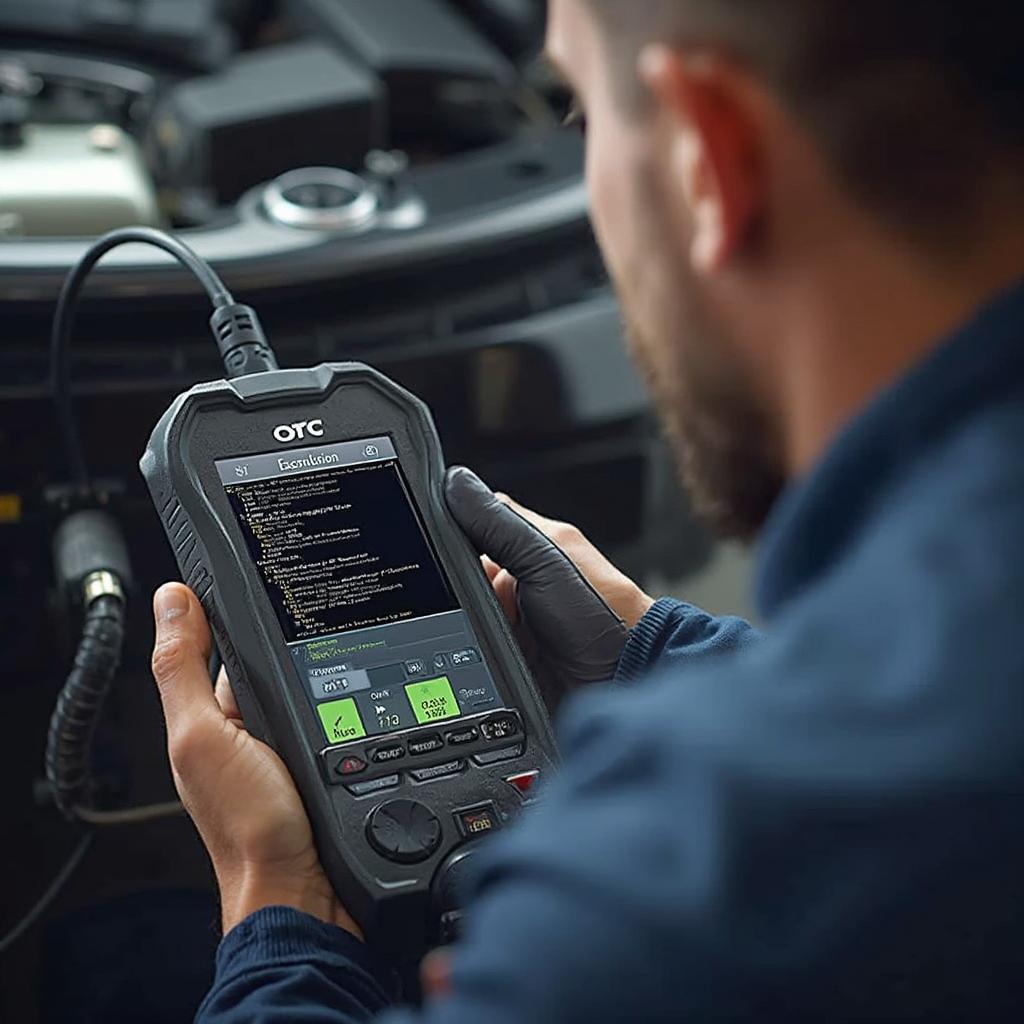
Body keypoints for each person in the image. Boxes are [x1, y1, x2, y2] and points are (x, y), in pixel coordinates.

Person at [149, 1, 1024, 1020]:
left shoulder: (677, 895)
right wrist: (659, 651)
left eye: (579, 110)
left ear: (710, 154)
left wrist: (280, 903)